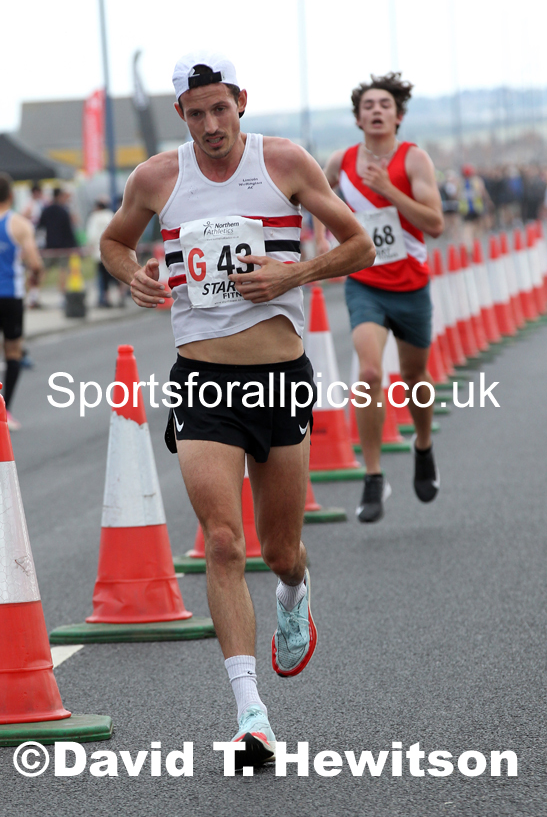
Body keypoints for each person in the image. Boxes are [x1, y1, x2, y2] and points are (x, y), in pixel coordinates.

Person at [100, 51, 375, 768]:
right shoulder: (157, 178)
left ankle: (293, 593)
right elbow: (113, 239)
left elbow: (357, 244)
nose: (211, 125)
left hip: (280, 380)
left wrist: (293, 271)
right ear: (180, 117)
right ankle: (251, 714)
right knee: (222, 541)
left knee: (279, 551)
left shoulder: (284, 162)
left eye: (220, 109)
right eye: (196, 114)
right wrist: (133, 275)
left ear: (240, 103)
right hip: (204, 384)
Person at [315, 72, 444, 523]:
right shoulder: (340, 161)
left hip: (411, 285)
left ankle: (423, 445)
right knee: (368, 372)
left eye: (384, 105)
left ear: (398, 115)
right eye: (368, 105)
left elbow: (435, 224)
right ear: (357, 117)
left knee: (415, 378)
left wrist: (390, 191)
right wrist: (319, 237)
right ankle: (373, 477)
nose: (376, 110)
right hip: (365, 282)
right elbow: (315, 196)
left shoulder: (414, 160)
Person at [0, 173, 44, 429]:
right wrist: (35, 278)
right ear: (11, 195)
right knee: (13, 352)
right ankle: (5, 410)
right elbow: (35, 264)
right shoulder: (19, 224)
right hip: (10, 296)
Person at [86, 198, 115, 306]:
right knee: (111, 275)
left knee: (101, 276)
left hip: (98, 252)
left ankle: (103, 298)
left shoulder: (94, 217)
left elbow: (91, 235)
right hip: (110, 251)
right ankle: (114, 296)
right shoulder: (110, 215)